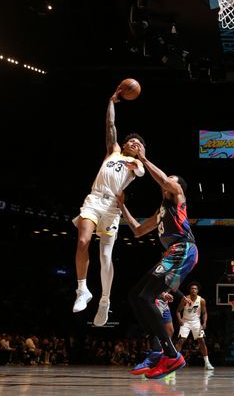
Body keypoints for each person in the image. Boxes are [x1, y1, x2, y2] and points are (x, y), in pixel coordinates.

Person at [117, 142, 198, 380]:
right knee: (136, 296)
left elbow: (164, 180)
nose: (166, 183)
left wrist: (143, 158)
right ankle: (157, 351)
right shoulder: (162, 210)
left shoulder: (179, 198)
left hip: (184, 249)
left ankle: (169, 353)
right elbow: (139, 231)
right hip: (174, 252)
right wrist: (122, 205)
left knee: (146, 297)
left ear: (177, 188)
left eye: (171, 181)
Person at [71, 83, 146, 327]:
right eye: (131, 142)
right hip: (94, 199)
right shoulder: (113, 151)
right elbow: (110, 127)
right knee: (82, 242)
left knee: (105, 256)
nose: (134, 144)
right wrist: (111, 102)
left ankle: (105, 300)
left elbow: (143, 173)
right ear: (124, 145)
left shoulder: (136, 165)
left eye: (138, 144)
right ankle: (82, 289)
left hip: (113, 208)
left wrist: (140, 160)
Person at [176, 282, 214, 370]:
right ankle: (175, 362)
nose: (193, 290)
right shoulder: (185, 299)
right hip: (185, 321)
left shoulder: (201, 300)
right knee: (181, 340)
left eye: (195, 289)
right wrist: (180, 320)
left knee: (202, 341)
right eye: (192, 288)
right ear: (190, 290)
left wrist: (204, 323)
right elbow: (178, 311)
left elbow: (204, 313)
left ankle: (207, 363)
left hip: (196, 322)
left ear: (198, 290)